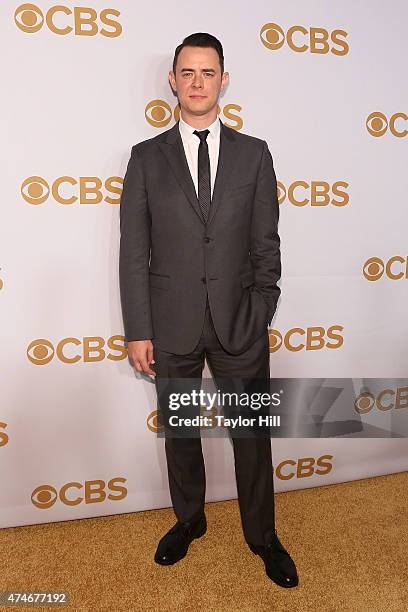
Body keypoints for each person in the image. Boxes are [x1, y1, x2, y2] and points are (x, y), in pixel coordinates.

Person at [119, 32, 299, 589]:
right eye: (188, 73)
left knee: (251, 436)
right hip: (169, 325)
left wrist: (262, 307)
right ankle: (189, 520)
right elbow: (134, 251)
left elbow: (266, 244)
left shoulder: (255, 153)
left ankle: (263, 537)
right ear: (173, 81)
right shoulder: (146, 158)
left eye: (208, 72)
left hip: (239, 322)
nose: (198, 83)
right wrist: (138, 330)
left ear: (224, 80)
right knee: (180, 432)